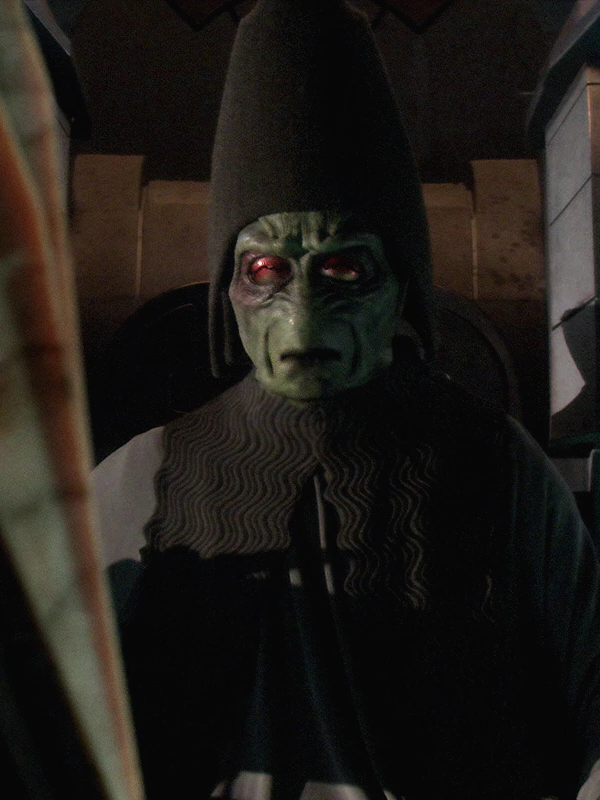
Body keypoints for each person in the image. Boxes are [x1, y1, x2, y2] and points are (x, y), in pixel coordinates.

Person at [93, 1, 600, 798]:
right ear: (228, 291)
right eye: (267, 272)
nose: (302, 321)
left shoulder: (499, 471)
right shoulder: (141, 478)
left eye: (343, 270)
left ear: (402, 288)